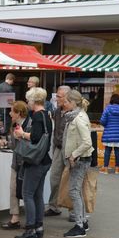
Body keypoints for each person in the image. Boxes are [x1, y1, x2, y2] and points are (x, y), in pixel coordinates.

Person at [13, 87, 52, 238]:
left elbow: (35, 137)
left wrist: (21, 134)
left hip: (35, 160)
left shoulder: (36, 116)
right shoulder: (47, 116)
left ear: (34, 101)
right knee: (37, 194)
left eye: (28, 100)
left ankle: (30, 229)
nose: (28, 103)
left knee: (27, 194)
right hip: (44, 160)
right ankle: (39, 227)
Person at [61, 90, 94, 238]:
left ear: (73, 102)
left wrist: (73, 155)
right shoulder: (78, 115)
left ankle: (80, 225)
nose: (64, 104)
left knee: (74, 191)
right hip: (80, 159)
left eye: (66, 102)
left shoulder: (78, 118)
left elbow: (87, 142)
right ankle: (83, 222)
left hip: (80, 160)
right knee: (76, 190)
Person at [2, 101, 30, 230]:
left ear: (18, 113)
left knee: (27, 192)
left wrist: (20, 137)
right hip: (16, 162)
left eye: (12, 111)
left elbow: (32, 143)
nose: (9, 113)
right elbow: (13, 146)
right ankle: (15, 218)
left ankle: (31, 220)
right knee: (13, 189)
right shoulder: (14, 125)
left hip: (27, 163)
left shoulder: (29, 125)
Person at [45, 85, 70, 217]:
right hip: (58, 148)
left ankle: (74, 210)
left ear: (67, 97)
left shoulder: (74, 113)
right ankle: (53, 206)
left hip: (71, 151)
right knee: (54, 177)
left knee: (71, 180)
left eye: (59, 97)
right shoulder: (57, 111)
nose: (56, 99)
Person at [100, 93, 119, 175]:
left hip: (108, 133)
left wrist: (108, 125)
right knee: (118, 150)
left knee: (107, 150)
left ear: (111, 100)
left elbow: (102, 121)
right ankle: (117, 169)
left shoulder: (107, 108)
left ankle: (105, 169)